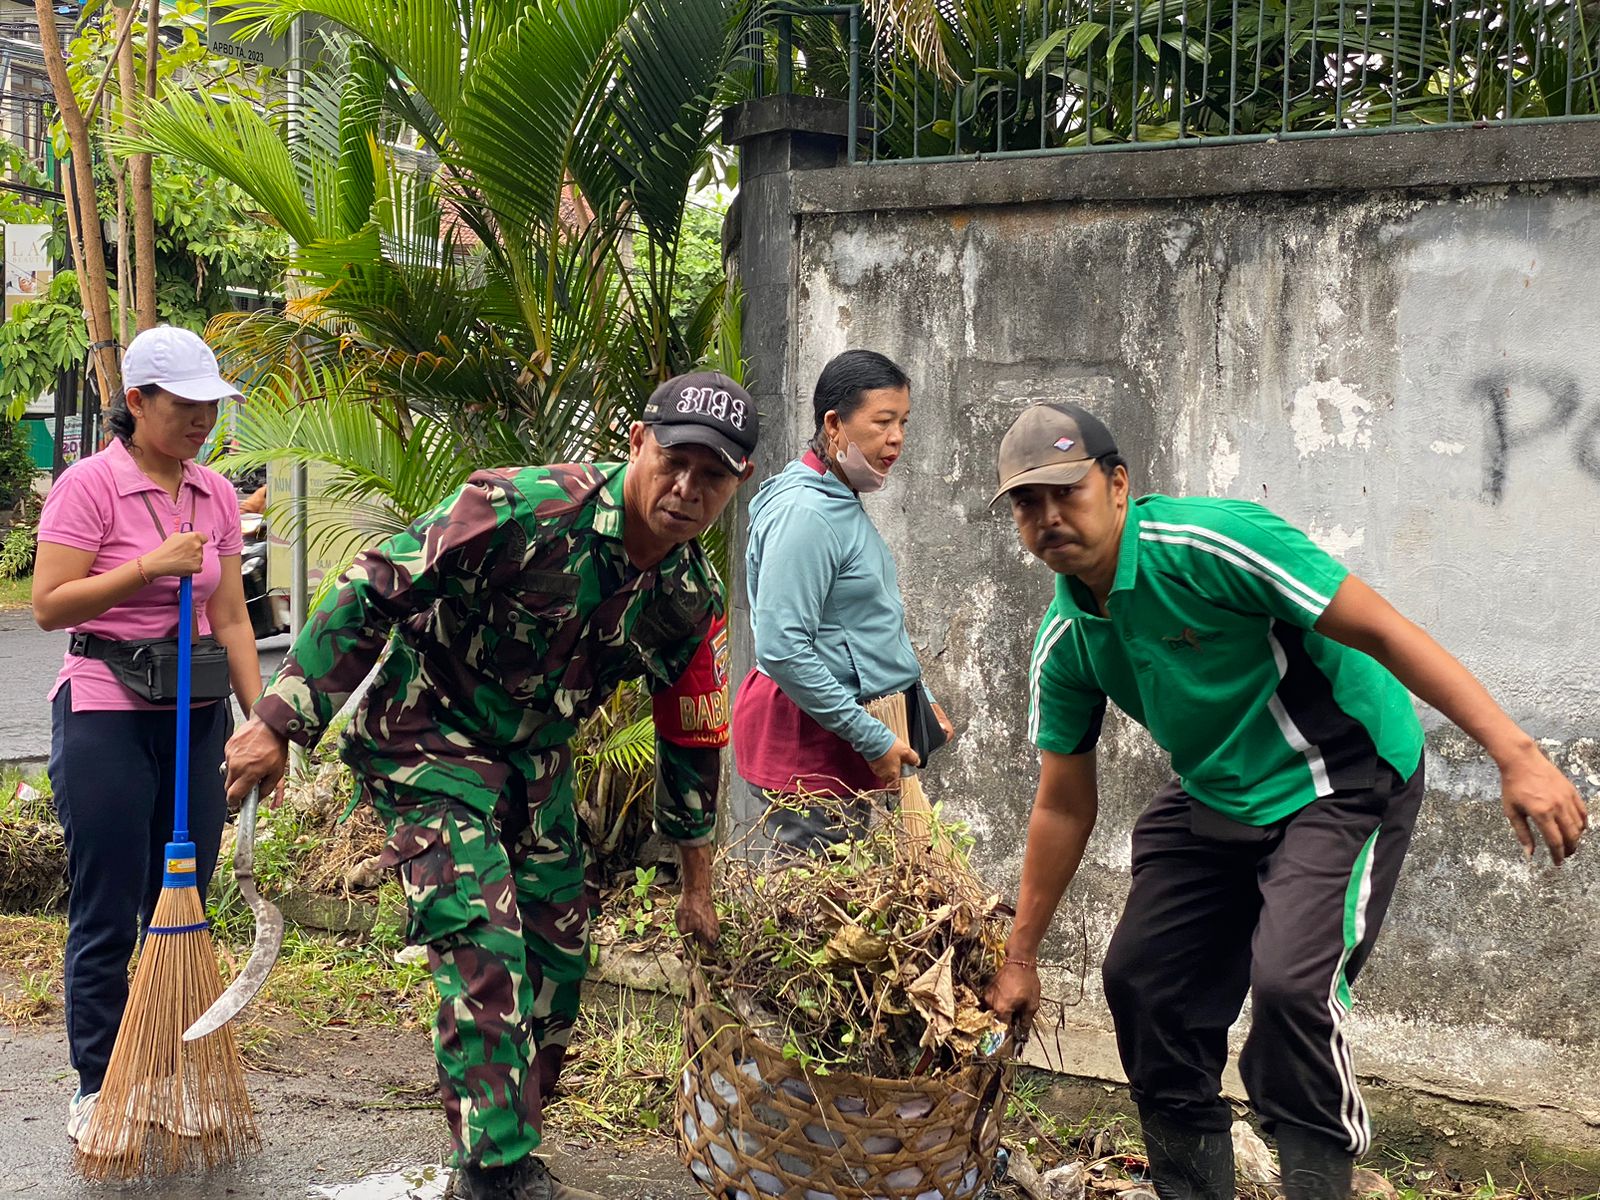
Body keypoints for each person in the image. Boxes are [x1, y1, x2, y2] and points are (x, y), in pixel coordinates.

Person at [982, 402, 1588, 1200]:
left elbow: (1381, 629)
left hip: (1342, 773)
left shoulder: (1211, 543)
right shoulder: (1067, 638)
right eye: (1029, 502)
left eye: (1069, 491)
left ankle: (1316, 1181)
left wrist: (1515, 753)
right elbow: (1062, 803)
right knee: (1142, 982)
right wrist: (1018, 959)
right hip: (1219, 787)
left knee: (1292, 990)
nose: (1050, 516)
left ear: (1119, 484)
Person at [222, 371, 758, 1200]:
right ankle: (496, 1170)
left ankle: (511, 1138)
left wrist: (697, 886)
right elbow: (373, 584)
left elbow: (691, 737)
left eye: (712, 475)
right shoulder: (522, 508)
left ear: (736, 485)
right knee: (482, 936)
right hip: (425, 732)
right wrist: (278, 721)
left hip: (535, 763)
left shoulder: (688, 598)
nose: (687, 489)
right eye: (675, 460)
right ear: (637, 444)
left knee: (556, 959)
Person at [31, 325, 263, 1144]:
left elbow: (232, 615)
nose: (203, 419)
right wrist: (145, 568)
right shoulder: (89, 486)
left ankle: (163, 1075)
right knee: (111, 901)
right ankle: (98, 1086)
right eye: (186, 404)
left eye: (212, 406)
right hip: (104, 708)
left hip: (195, 714)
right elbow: (50, 605)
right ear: (137, 401)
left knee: (185, 901)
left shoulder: (217, 492)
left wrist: (262, 723)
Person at [730, 349, 952, 853]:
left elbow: (861, 622)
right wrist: (872, 738)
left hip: (838, 732)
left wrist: (922, 702)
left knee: (849, 903)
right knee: (817, 916)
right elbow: (783, 647)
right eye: (883, 421)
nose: (897, 437)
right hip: (808, 743)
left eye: (903, 422)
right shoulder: (806, 512)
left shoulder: (835, 494)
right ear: (834, 424)